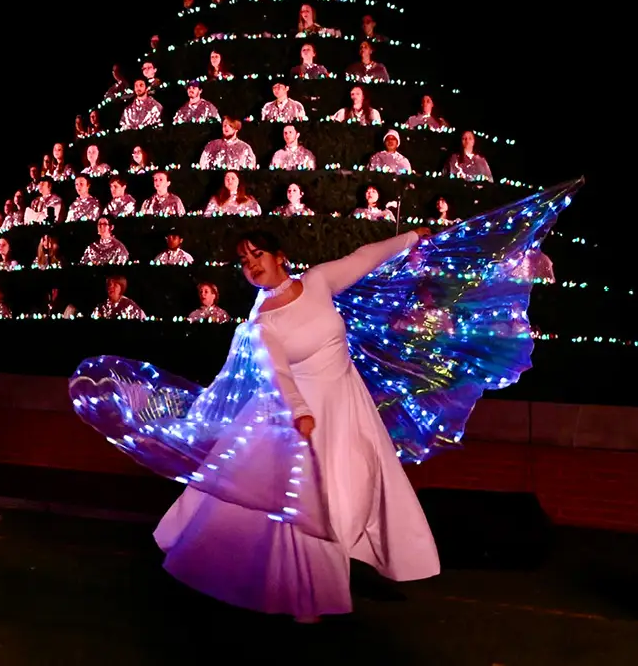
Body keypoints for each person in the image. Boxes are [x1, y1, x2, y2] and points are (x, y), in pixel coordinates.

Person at [150, 230, 442, 621]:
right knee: (311, 500)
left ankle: (348, 562)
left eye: (258, 255)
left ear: (280, 256)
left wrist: (411, 237)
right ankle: (311, 590)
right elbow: (278, 374)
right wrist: (299, 412)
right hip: (299, 415)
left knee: (359, 482)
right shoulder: (261, 321)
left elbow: (365, 256)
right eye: (244, 260)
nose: (252, 264)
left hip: (348, 403)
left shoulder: (318, 281)